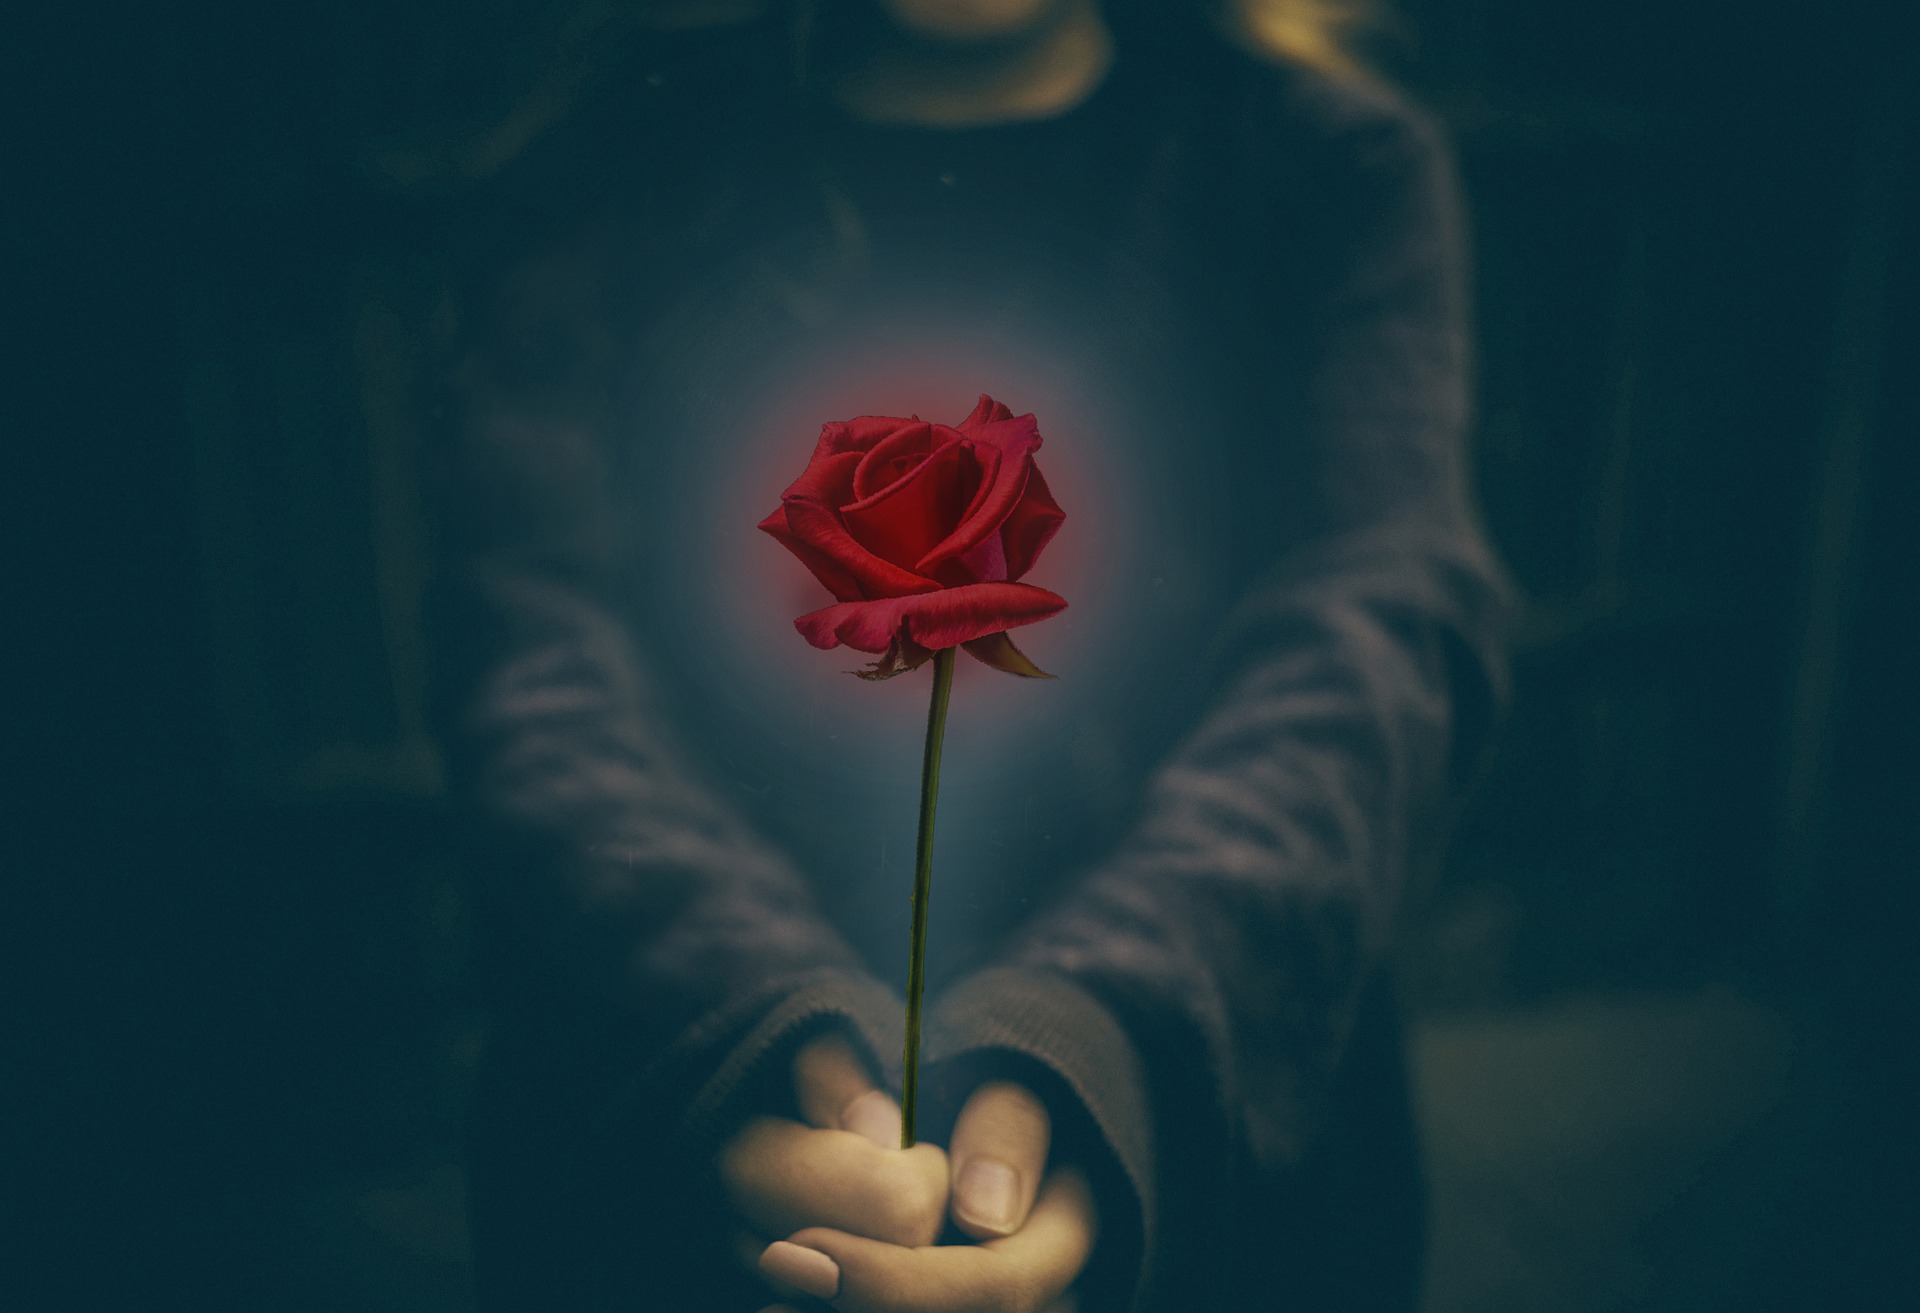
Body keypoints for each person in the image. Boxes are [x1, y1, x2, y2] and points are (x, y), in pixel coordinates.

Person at [427, 1, 1509, 1309]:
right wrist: (768, 1030)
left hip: (1217, 1148)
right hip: (676, 1134)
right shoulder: (605, 166)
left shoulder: (1326, 171)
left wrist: (1093, 1031)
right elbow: (533, 654)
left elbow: (1379, 630)